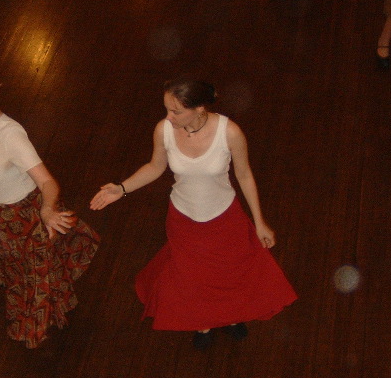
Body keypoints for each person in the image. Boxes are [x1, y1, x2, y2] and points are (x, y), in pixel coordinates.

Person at [90, 79, 297, 350]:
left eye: (176, 111)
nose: (168, 117)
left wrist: (259, 222)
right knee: (193, 276)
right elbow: (155, 167)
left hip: (224, 217)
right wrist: (121, 188)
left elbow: (244, 175)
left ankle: (232, 317)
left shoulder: (230, 132)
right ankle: (203, 322)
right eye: (167, 109)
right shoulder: (164, 130)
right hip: (183, 218)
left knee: (229, 274)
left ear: (199, 109)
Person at [0, 66, 100, 349]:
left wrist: (47, 210)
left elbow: (47, 182)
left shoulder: (11, 136)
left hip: (21, 216)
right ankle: (1, 274)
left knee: (29, 278)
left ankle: (34, 325)